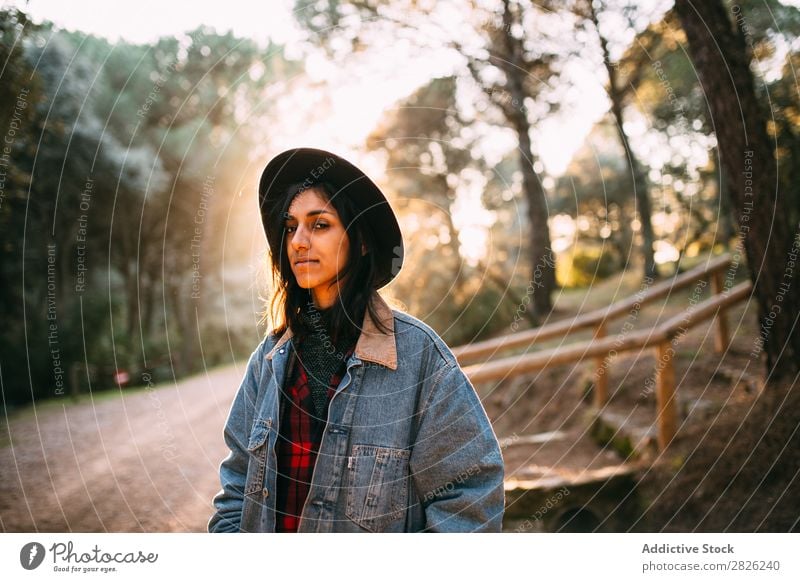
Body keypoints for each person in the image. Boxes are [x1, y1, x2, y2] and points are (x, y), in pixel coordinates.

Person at [208, 147, 505, 533]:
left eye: (319, 225)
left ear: (361, 240)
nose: (298, 241)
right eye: (290, 226)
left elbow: (472, 495)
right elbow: (236, 488)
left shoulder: (420, 358)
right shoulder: (269, 359)